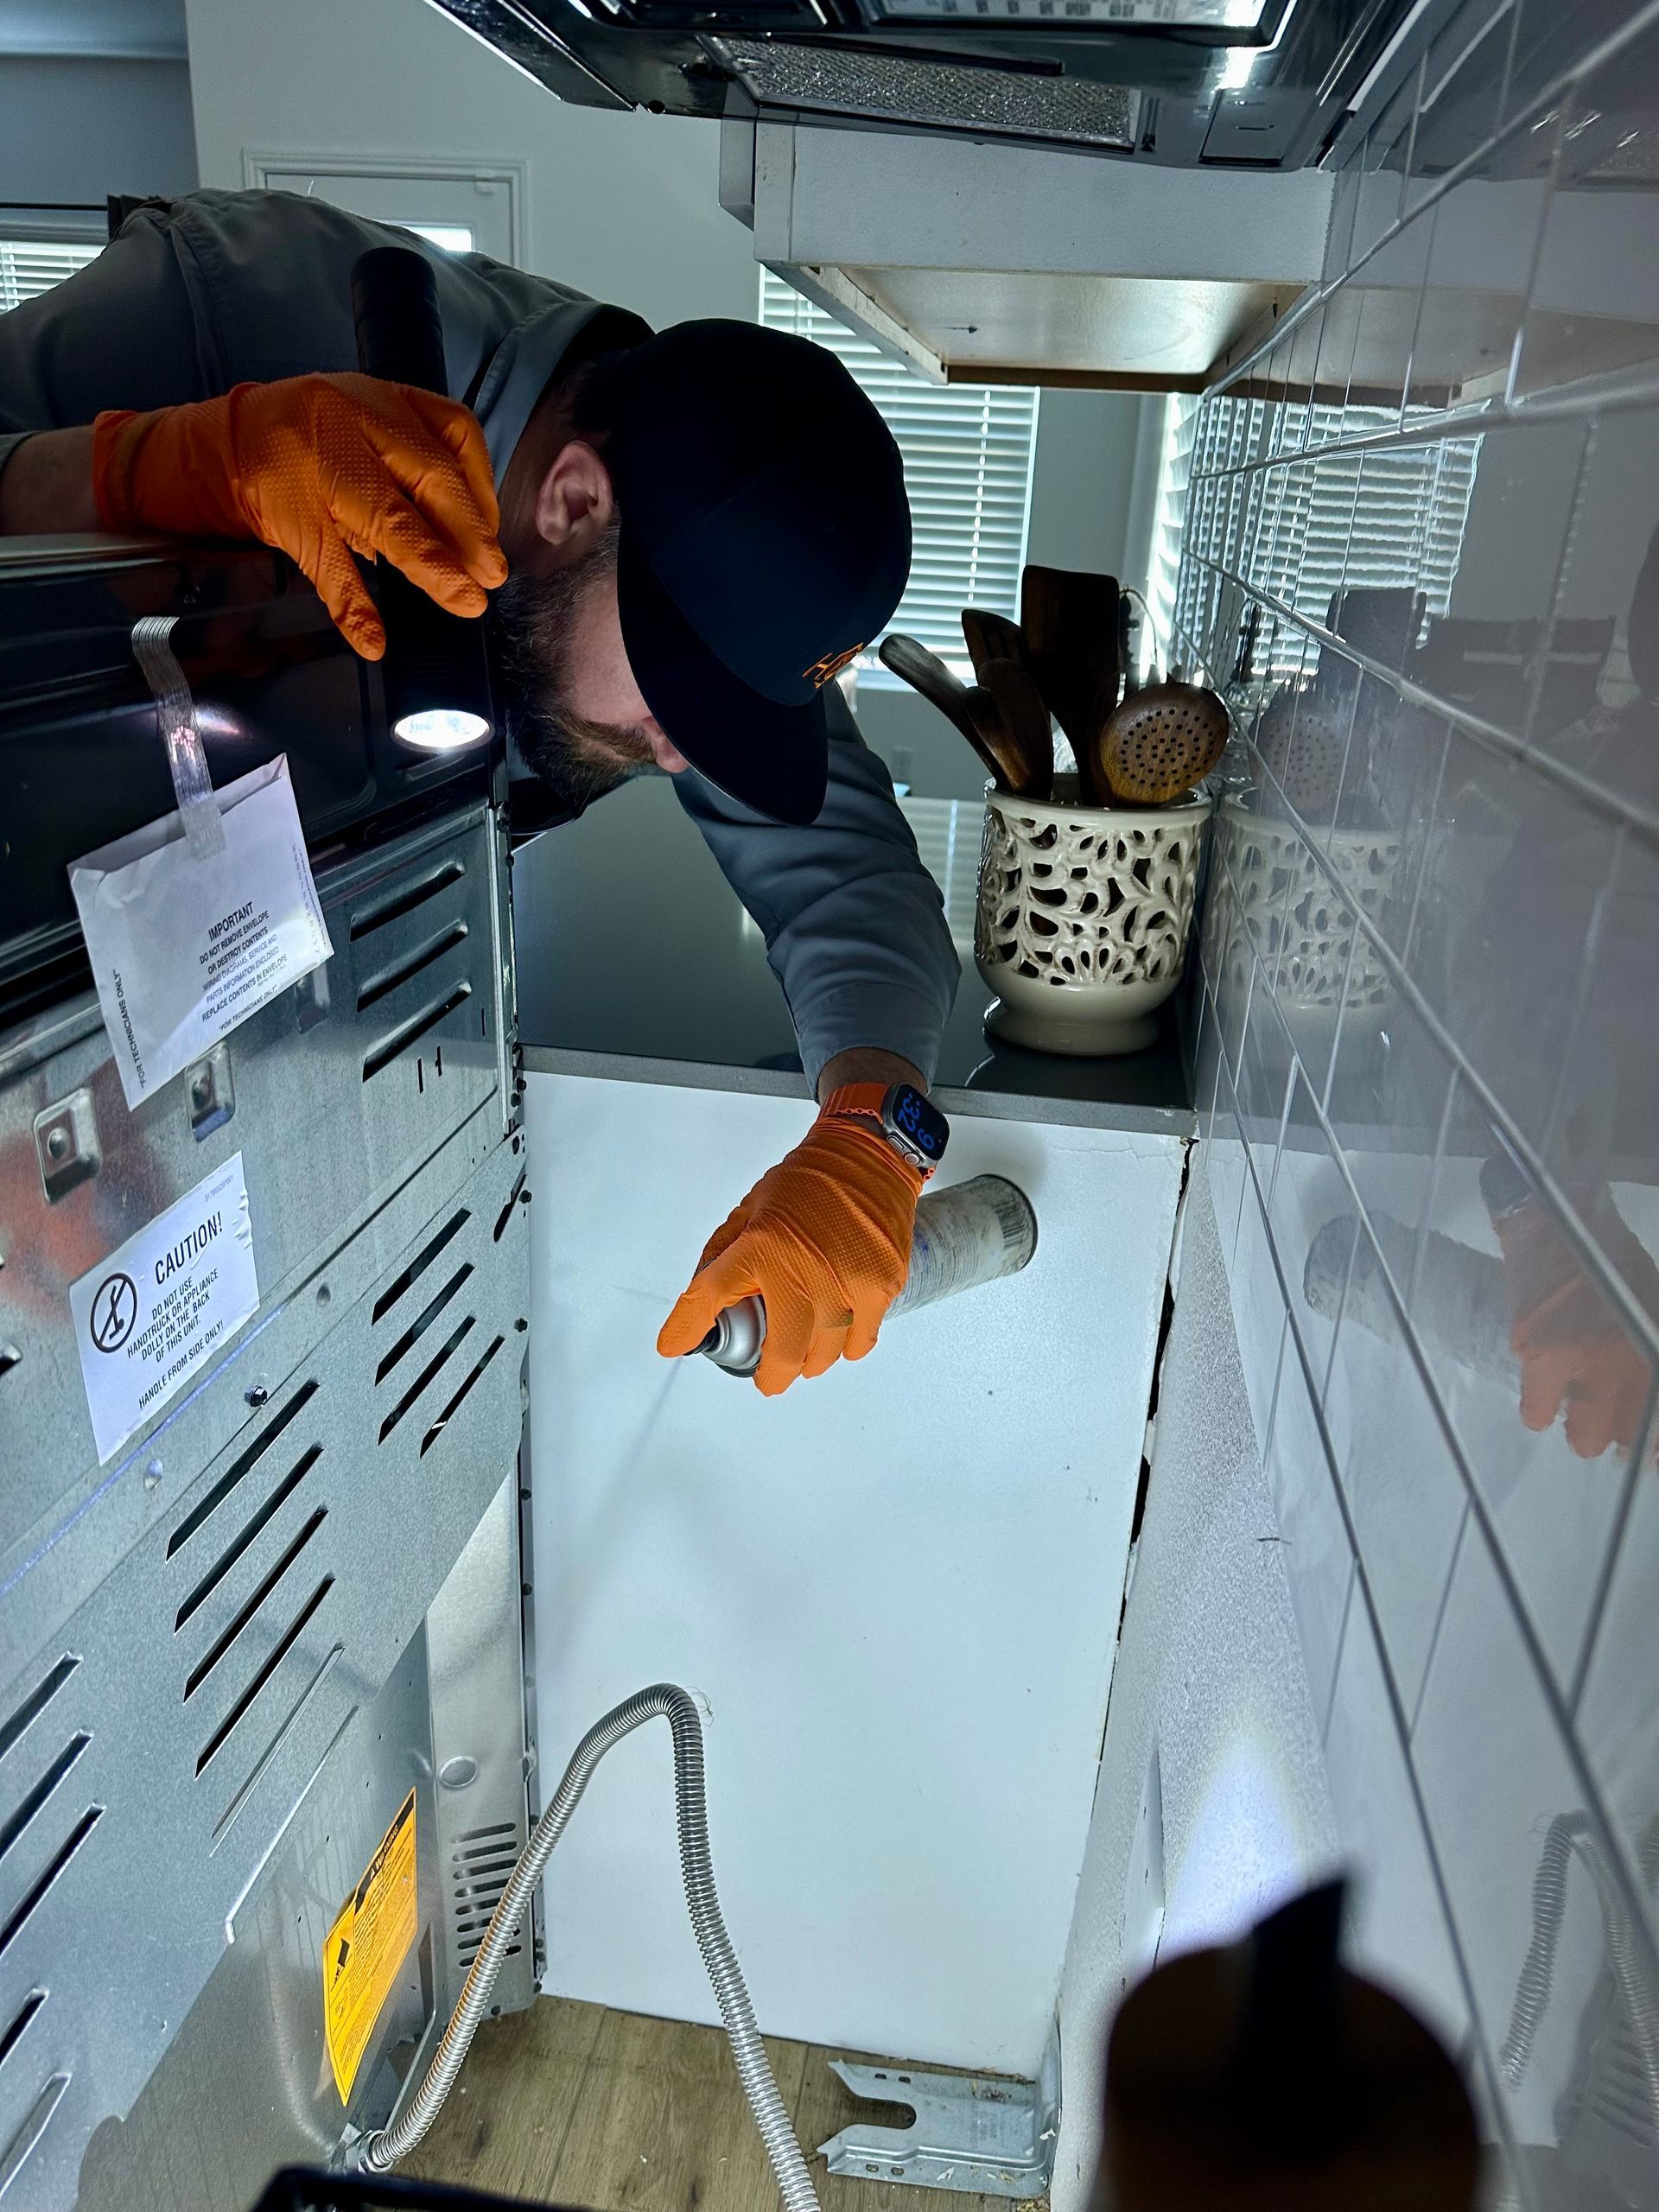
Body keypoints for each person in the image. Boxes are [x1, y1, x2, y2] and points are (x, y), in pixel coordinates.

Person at [0, 188, 960, 1396]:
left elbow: (853, 881)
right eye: (677, 699)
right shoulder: (235, 299)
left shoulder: (716, 553)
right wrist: (147, 476)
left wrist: (875, 1139)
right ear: (570, 502)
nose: (679, 757)